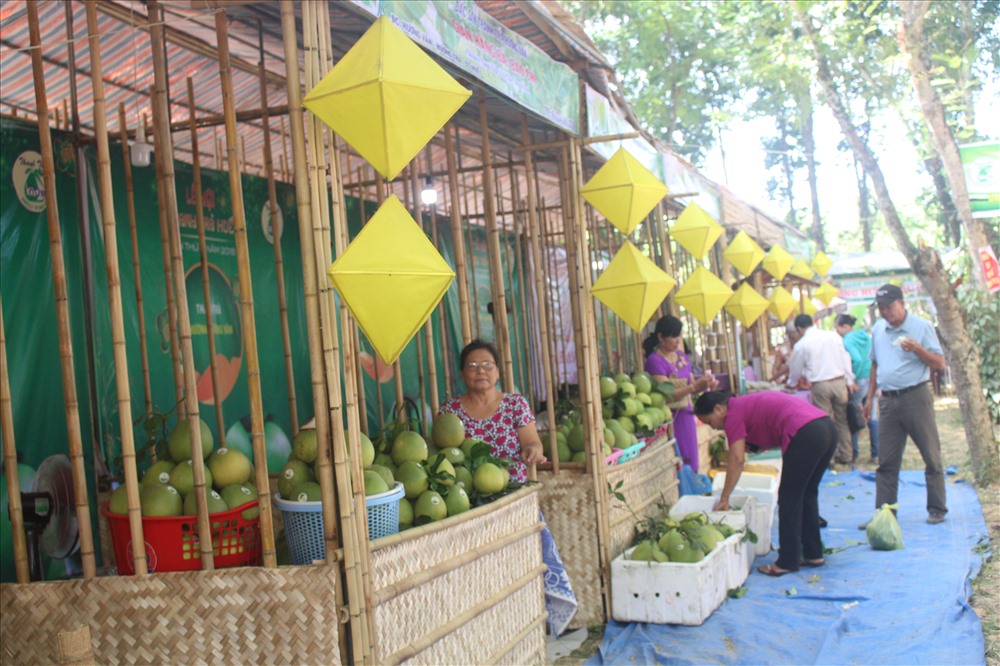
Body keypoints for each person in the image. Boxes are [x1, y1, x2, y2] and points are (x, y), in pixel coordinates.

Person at [695, 390, 838, 576]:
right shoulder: (744, 405)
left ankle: (787, 561)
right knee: (807, 493)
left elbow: (737, 460)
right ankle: (813, 553)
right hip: (826, 428)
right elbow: (773, 427)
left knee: (789, 498)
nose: (713, 428)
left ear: (719, 408)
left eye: (709, 421)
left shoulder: (732, 415)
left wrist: (724, 497)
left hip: (807, 432)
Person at [863, 284, 948, 525]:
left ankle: (937, 508)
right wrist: (869, 398)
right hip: (887, 400)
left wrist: (917, 348)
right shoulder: (879, 329)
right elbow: (875, 365)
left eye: (889, 306)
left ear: (902, 303)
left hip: (915, 396)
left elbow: (939, 363)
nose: (885, 312)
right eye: (880, 308)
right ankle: (885, 514)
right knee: (887, 461)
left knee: (931, 454)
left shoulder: (921, 327)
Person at [439, 339, 546, 482]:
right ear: (462, 374)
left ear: (497, 372)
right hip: (469, 496)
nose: (481, 371)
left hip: (514, 492)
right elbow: (445, 454)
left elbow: (533, 442)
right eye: (472, 366)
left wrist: (533, 451)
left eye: (487, 365)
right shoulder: (449, 411)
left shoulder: (516, 404)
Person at [642, 315, 717, 471]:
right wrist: (695, 387)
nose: (677, 340)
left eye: (679, 335)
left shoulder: (681, 356)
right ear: (661, 337)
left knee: (691, 460)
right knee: (678, 463)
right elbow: (667, 392)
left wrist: (706, 384)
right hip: (671, 417)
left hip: (686, 413)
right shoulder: (654, 360)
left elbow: (692, 383)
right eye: (673, 336)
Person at [786, 314, 856, 465]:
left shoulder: (802, 344)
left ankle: (828, 458)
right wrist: (849, 379)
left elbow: (795, 370)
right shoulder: (832, 336)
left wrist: (791, 383)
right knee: (842, 421)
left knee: (826, 423)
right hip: (839, 381)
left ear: (799, 329)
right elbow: (845, 358)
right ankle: (846, 456)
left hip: (820, 385)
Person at [834, 314, 879, 462]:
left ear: (845, 327)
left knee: (852, 415)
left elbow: (857, 359)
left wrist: (852, 378)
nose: (836, 331)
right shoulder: (865, 336)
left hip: (859, 381)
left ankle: (854, 453)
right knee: (872, 416)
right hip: (872, 378)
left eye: (837, 328)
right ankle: (876, 453)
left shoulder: (847, 340)